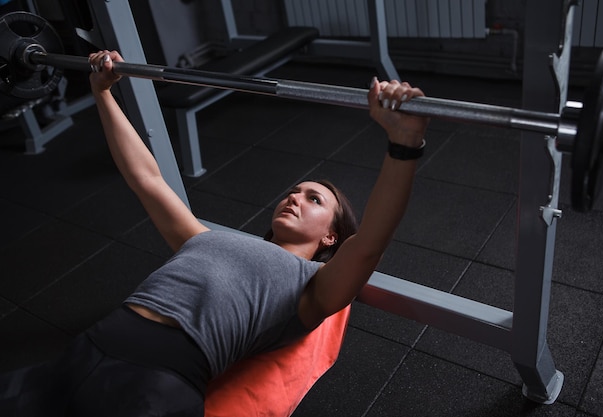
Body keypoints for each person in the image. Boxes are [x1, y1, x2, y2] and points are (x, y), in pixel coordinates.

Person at [0, 50, 429, 417]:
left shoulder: (312, 288)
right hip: (82, 351)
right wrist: (102, 92)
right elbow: (147, 179)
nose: (295, 197)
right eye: (294, 191)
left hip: (157, 381)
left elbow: (370, 243)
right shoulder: (205, 237)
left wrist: (404, 144)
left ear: (331, 238)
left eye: (314, 199)